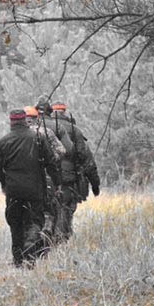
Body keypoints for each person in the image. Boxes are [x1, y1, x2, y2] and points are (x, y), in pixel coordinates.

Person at [0, 108, 61, 268]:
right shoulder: (38, 138)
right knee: (34, 221)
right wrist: (57, 183)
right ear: (25, 120)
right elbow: (51, 163)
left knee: (15, 222)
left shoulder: (3, 141)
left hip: (13, 191)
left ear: (11, 121)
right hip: (35, 190)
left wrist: (5, 181)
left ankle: (17, 260)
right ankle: (30, 257)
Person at [49, 101, 101, 245]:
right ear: (64, 112)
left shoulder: (41, 127)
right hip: (68, 180)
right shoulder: (74, 130)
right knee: (65, 211)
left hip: (46, 180)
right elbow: (87, 159)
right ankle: (61, 242)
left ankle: (48, 241)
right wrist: (95, 183)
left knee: (49, 210)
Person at [25, 104, 66, 252]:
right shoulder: (46, 132)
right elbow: (62, 151)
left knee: (29, 210)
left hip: (26, 178)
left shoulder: (19, 134)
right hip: (47, 177)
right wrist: (51, 159)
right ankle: (46, 234)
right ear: (37, 118)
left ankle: (31, 241)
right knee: (49, 208)